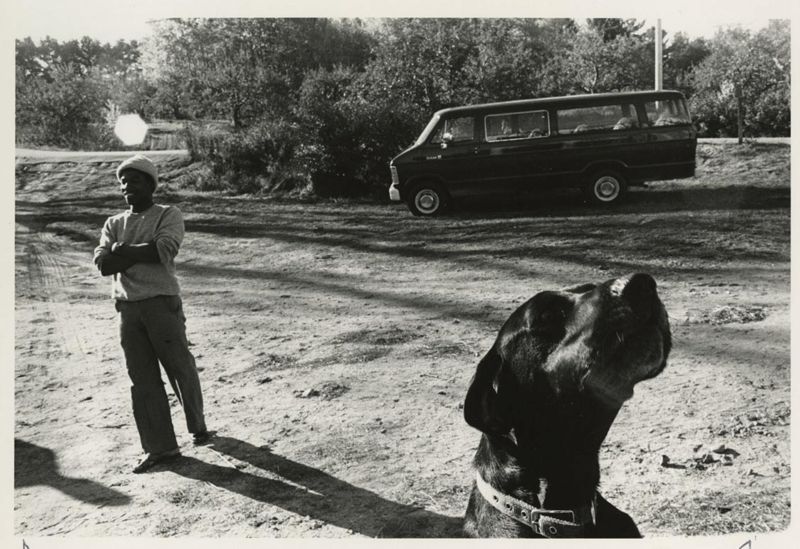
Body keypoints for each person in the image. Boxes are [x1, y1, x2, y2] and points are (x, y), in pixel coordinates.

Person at [94, 154, 210, 474]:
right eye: (123, 182)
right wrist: (130, 253)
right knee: (142, 379)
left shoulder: (167, 214)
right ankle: (161, 449)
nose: (127, 186)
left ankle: (198, 428)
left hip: (162, 304)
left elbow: (163, 251)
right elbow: (104, 265)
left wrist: (121, 252)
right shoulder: (113, 223)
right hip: (127, 310)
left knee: (180, 368)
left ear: (151, 184)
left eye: (134, 180)